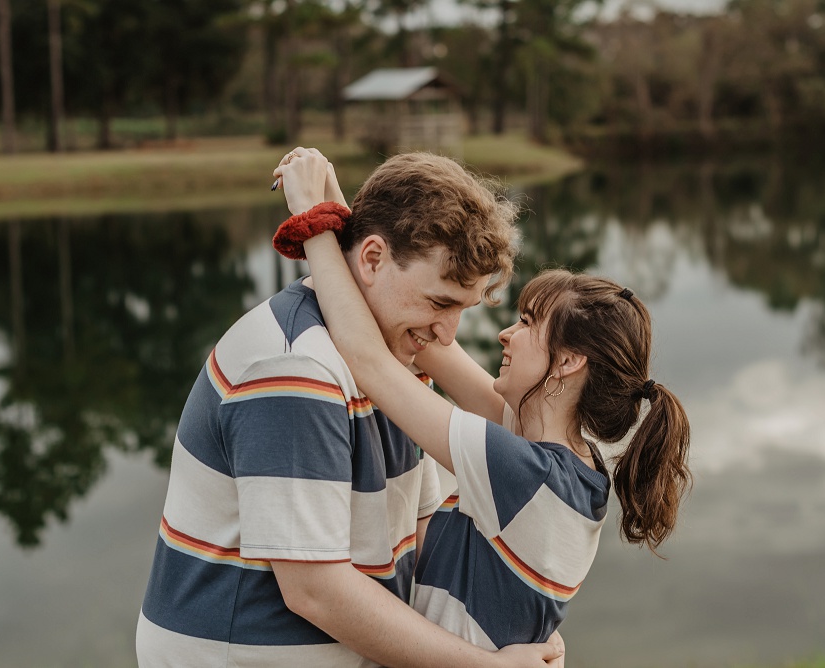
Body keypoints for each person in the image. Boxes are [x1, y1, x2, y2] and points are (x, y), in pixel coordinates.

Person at [136, 149, 565, 667]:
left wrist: (517, 623)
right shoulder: (296, 368)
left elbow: (420, 526)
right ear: (372, 259)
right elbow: (316, 591)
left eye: (462, 308)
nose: (447, 335)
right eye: (439, 302)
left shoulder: (392, 362)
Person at [275, 150, 692, 652]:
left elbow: (370, 360)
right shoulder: (567, 464)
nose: (505, 335)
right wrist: (355, 224)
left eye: (529, 325)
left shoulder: (524, 473)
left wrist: (311, 220)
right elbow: (428, 343)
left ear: (567, 363)